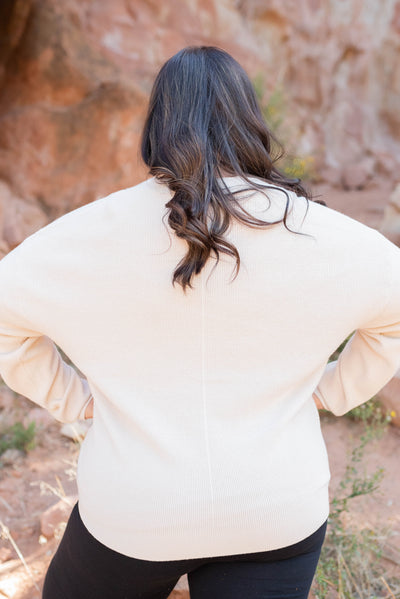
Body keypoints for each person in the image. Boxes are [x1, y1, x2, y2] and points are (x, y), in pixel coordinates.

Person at [0, 46, 399, 599]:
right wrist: (332, 391)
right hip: (277, 508)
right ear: (250, 122)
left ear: (156, 128)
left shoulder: (89, 231)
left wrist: (76, 398)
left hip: (134, 512)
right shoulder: (320, 233)